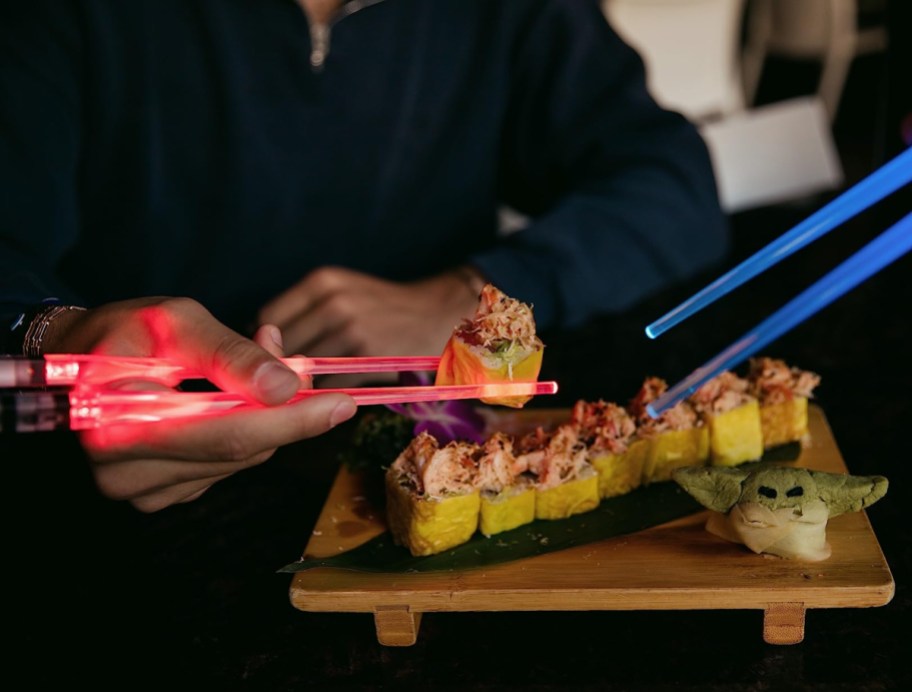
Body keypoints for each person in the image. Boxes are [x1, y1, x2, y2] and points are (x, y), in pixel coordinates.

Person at [0, 0, 729, 512]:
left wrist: (470, 296)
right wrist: (51, 337)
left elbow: (673, 183)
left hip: (429, 461)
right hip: (111, 516)